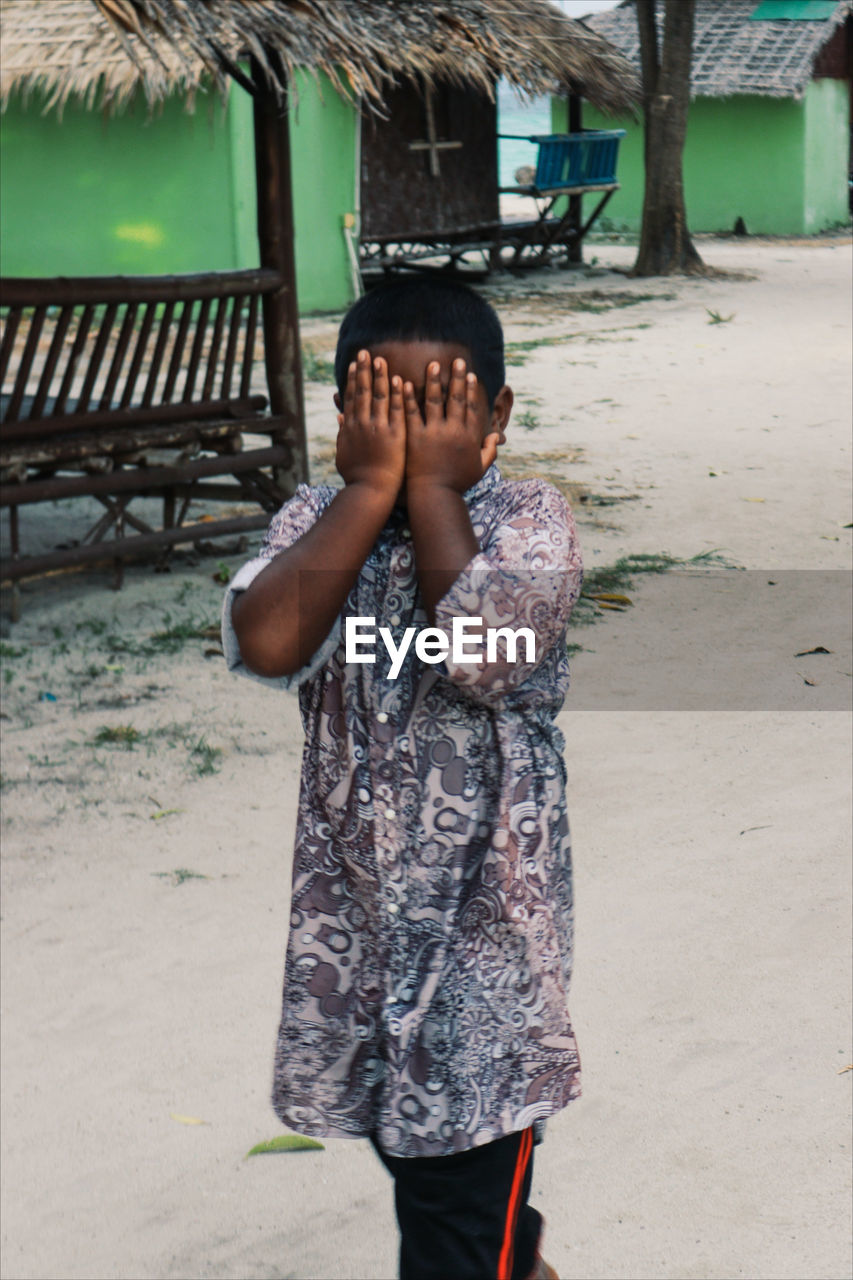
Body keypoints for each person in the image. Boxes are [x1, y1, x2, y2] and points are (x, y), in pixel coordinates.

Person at [223, 277, 583, 1280]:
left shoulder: (530, 521)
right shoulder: (317, 519)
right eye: (391, 413)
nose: (415, 438)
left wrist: (427, 494)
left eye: (441, 415)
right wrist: (368, 492)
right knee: (417, 1156)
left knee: (452, 1221)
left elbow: (483, 654)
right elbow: (268, 639)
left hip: (486, 959)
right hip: (361, 946)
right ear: (347, 418)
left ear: (496, 417)